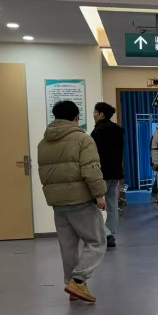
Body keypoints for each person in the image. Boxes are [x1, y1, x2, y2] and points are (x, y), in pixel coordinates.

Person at [38, 100, 107, 304]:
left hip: (58, 203)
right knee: (97, 241)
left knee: (68, 247)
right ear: (76, 117)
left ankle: (73, 287)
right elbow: (91, 169)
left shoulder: (44, 142)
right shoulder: (83, 139)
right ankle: (78, 280)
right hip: (80, 200)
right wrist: (99, 194)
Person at [91, 101, 125, 247]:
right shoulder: (118, 131)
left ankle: (105, 233)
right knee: (112, 203)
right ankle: (111, 232)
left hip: (101, 173)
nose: (93, 115)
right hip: (115, 172)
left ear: (101, 115)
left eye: (95, 112)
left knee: (92, 204)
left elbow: (94, 155)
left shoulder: (97, 132)